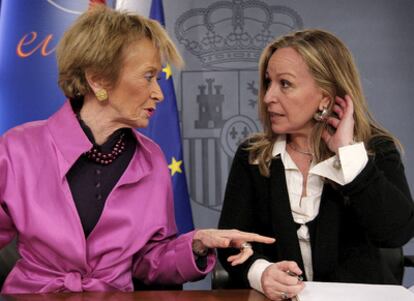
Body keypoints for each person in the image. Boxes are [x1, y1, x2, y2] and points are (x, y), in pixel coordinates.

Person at [0, 6, 275, 294]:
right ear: (98, 79)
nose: (158, 92)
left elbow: (149, 262)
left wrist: (197, 242)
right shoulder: (17, 149)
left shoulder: (152, 158)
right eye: (148, 76)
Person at [218, 29, 414, 300]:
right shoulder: (252, 156)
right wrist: (260, 272)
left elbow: (396, 232)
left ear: (325, 96)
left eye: (285, 84)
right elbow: (231, 242)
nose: (267, 97)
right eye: (268, 82)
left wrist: (348, 155)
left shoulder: (375, 151)